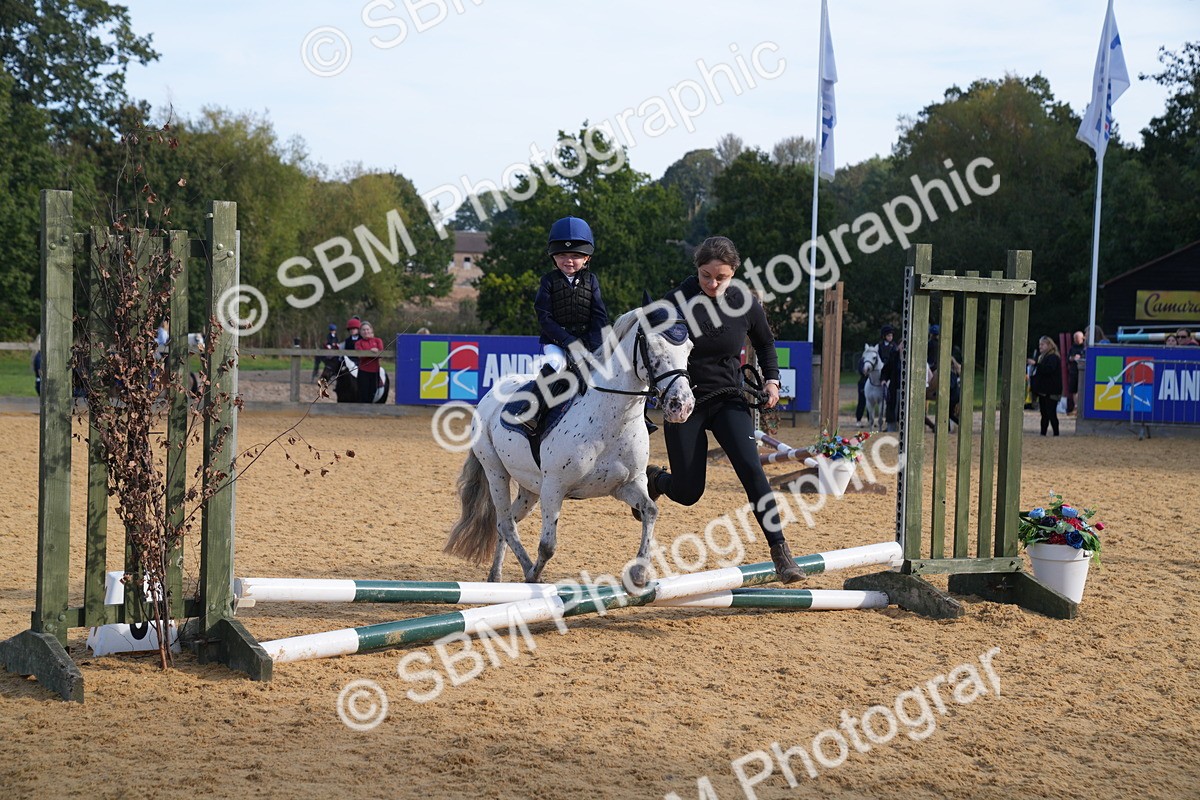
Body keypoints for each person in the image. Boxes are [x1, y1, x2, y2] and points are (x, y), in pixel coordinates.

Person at [646, 236, 805, 584]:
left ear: (734, 273)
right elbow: (655, 349)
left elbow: (765, 342)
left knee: (752, 470)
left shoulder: (744, 301)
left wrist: (772, 381)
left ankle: (781, 552)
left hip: (729, 397)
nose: (713, 284)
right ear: (697, 269)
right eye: (706, 276)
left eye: (721, 277)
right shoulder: (675, 301)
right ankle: (656, 479)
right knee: (689, 493)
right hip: (684, 400)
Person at [524, 216, 609, 432]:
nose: (568, 260)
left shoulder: (592, 281)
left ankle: (639, 417)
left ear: (586, 258)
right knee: (556, 364)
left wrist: (591, 343)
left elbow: (600, 316)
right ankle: (532, 411)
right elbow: (544, 317)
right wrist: (567, 341)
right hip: (557, 340)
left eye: (575, 255)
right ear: (554, 257)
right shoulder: (548, 281)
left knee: (614, 368)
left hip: (586, 341)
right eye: (562, 255)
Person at [1028, 335, 1062, 436]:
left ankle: (1056, 433)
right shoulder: (1042, 357)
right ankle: (1043, 433)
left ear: (1049, 345)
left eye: (1042, 344)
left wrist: (1036, 364)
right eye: (1039, 344)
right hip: (1043, 391)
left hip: (1051, 391)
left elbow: (1048, 369)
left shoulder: (1053, 357)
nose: (1040, 346)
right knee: (1044, 414)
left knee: (1051, 413)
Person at [354, 321, 384, 403]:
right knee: (363, 393)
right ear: (360, 332)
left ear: (371, 330)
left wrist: (374, 353)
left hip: (375, 371)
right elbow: (360, 355)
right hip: (363, 371)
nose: (366, 331)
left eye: (367, 329)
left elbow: (381, 353)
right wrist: (371, 352)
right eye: (363, 330)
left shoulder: (378, 340)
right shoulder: (358, 343)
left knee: (373, 393)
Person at [334, 317, 362, 403]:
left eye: (354, 329)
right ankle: (338, 387)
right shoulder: (347, 341)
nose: (352, 330)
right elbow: (342, 349)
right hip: (348, 360)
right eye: (350, 329)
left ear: (358, 329)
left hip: (358, 361)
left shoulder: (361, 339)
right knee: (340, 369)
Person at [1066, 330, 1086, 414]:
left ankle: (1081, 407)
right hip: (1074, 371)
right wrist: (1073, 358)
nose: (1077, 340)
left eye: (1078, 338)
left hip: (1083, 371)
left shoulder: (1085, 347)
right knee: (1074, 390)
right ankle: (1076, 407)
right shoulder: (1072, 348)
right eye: (1075, 338)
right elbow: (1068, 359)